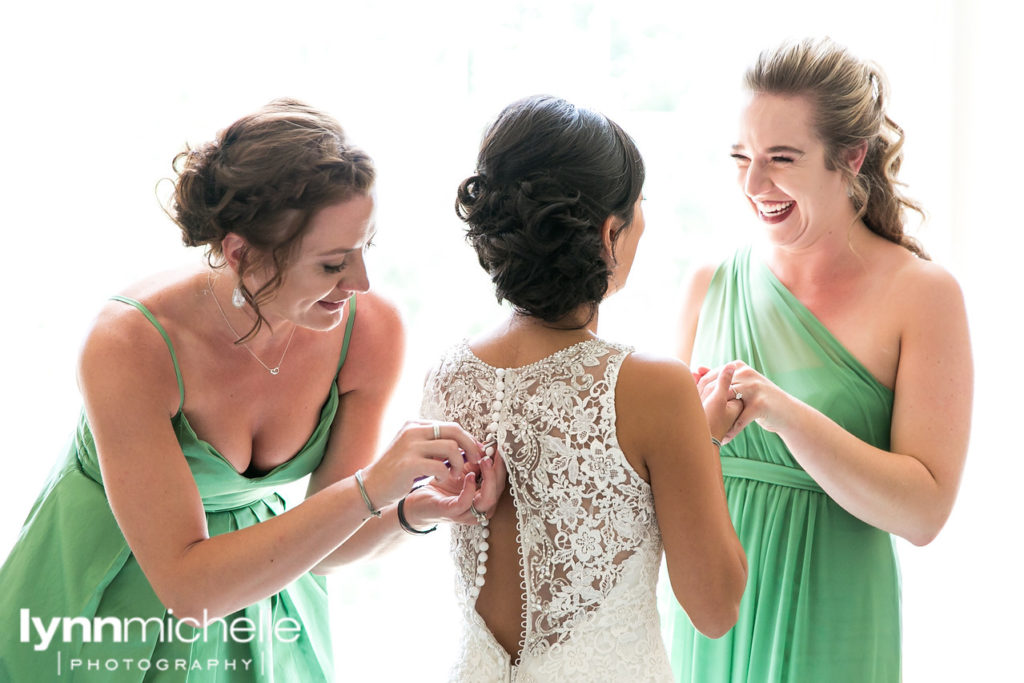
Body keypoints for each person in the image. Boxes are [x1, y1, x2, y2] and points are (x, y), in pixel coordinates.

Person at [0, 98, 502, 683]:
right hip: (102, 601)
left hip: (265, 594)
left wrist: (413, 510)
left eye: (366, 248)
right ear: (242, 254)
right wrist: (372, 487)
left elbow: (333, 539)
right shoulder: (130, 345)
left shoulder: (368, 331)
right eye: (332, 263)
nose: (361, 282)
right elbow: (189, 588)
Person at [667, 38, 972, 682]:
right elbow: (663, 476)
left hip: (833, 615)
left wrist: (782, 412)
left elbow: (924, 515)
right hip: (708, 607)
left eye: (781, 158)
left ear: (850, 157)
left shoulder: (922, 294)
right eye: (740, 158)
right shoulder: (709, 282)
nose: (754, 184)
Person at [420, 95, 748, 682]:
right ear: (609, 231)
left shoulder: (449, 374)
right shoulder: (653, 387)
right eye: (640, 204)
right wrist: (702, 443)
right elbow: (715, 607)